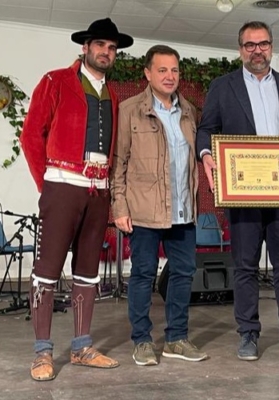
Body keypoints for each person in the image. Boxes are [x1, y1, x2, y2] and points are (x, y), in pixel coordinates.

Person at [20, 18, 133, 381]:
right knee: (47, 271)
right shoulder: (56, 81)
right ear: (85, 47)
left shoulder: (112, 94)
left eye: (112, 48)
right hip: (62, 185)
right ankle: (42, 352)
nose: (106, 52)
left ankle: (82, 346)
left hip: (98, 191)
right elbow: (31, 136)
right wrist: (48, 185)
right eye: (100, 44)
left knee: (88, 271)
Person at [196, 21, 279, 361]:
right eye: (249, 45)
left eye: (262, 44)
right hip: (242, 194)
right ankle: (248, 334)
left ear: (272, 47)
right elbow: (206, 130)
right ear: (240, 50)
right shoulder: (223, 87)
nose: (257, 50)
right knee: (245, 267)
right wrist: (206, 155)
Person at [110, 44, 207, 366]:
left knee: (183, 273)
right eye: (162, 70)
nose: (169, 76)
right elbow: (118, 163)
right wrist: (119, 207)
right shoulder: (129, 110)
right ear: (147, 73)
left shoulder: (190, 112)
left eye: (175, 70)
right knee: (142, 274)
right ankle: (142, 340)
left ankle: (176, 339)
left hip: (183, 210)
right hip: (144, 210)